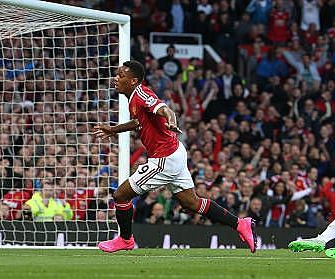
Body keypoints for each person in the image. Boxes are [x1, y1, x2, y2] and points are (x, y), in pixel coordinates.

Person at [93, 60, 256, 253]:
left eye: (121, 75)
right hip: (175, 152)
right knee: (191, 202)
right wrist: (114, 130)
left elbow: (165, 109)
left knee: (120, 195)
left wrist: (171, 120)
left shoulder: (142, 93)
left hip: (164, 159)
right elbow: (139, 122)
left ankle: (125, 240)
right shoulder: (134, 98)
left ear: (133, 80)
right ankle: (240, 224)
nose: (116, 78)